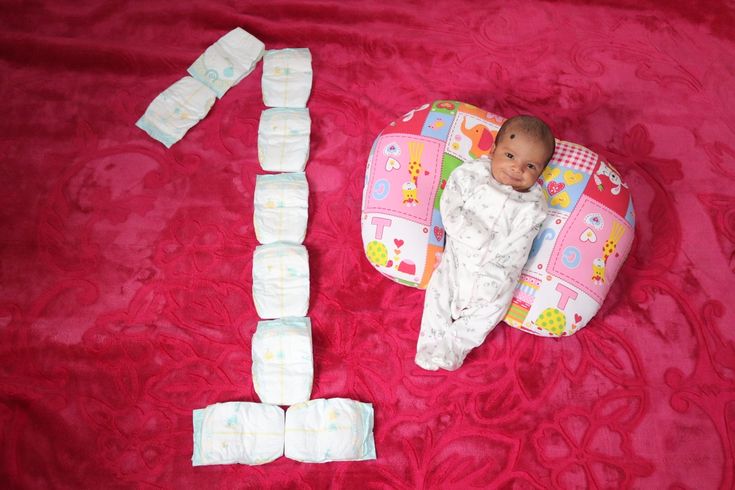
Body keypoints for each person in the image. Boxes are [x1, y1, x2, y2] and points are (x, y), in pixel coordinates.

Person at [415, 115, 555, 371]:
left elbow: (522, 242)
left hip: (496, 273)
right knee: (438, 294)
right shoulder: (472, 175)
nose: (517, 169)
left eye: (531, 166)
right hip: (459, 260)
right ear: (493, 150)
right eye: (510, 156)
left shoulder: (534, 206)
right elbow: (450, 205)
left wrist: (499, 264)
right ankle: (429, 346)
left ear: (541, 172)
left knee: (493, 310)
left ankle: (453, 349)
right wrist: (470, 235)